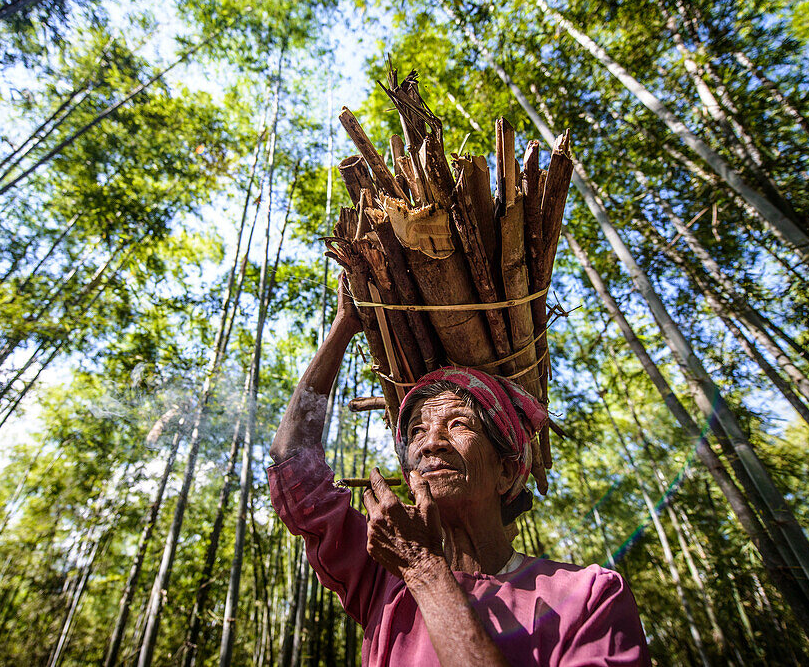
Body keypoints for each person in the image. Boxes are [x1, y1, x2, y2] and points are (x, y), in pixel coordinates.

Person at [269, 277, 650, 666]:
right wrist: (344, 326)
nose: (430, 443)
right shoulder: (383, 573)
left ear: (505, 471)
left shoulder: (586, 598)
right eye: (416, 430)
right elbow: (293, 465)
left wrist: (424, 568)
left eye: (459, 425)